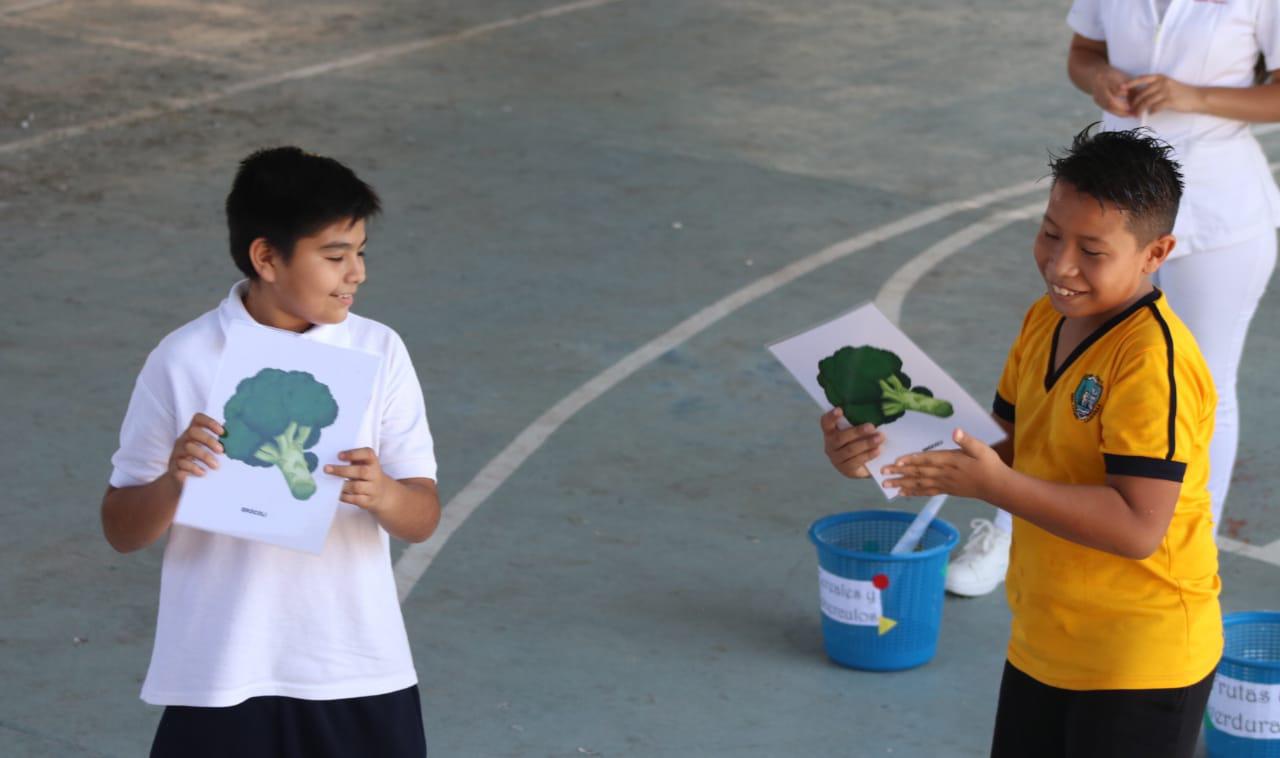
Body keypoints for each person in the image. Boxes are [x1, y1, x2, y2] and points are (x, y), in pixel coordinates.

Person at [822, 127, 1221, 758]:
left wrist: (995, 487)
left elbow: (1138, 527)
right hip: (1045, 639)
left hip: (1139, 659)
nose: (1060, 264)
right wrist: (878, 449)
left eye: (1092, 251)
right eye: (1050, 233)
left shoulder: (1152, 364)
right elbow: (1003, 448)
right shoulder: (1046, 318)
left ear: (1155, 252)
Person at [102, 147, 440, 758]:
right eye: (335, 256)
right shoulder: (183, 360)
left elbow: (423, 515)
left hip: (356, 667)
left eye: (360, 253)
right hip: (222, 673)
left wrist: (386, 495)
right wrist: (175, 480)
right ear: (266, 257)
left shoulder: (379, 351)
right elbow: (122, 530)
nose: (356, 273)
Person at [945, 0, 1280, 599]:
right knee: (1057, 365)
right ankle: (1006, 528)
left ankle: (1185, 539)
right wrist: (1098, 79)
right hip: (1109, 205)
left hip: (1217, 204)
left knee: (1206, 381)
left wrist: (1193, 96)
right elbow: (1083, 53)